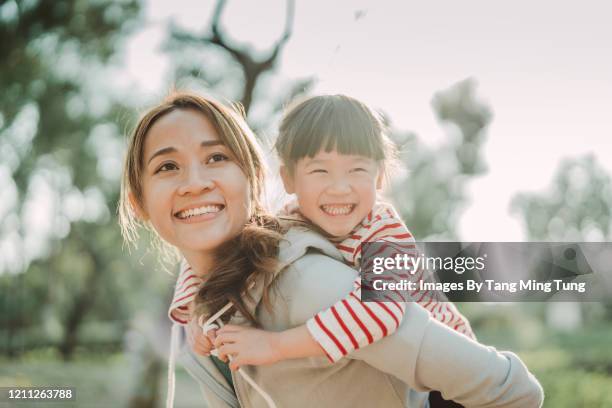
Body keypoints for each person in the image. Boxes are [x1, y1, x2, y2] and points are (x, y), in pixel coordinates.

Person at [119, 91, 544, 407]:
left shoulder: (309, 280)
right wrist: (191, 316)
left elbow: (512, 391)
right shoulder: (222, 297)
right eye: (167, 166)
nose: (194, 182)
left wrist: (278, 345)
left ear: (253, 177)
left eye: (215, 158)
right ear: (138, 201)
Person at [174, 94, 475, 369]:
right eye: (320, 171)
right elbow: (222, 252)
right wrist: (197, 311)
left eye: (357, 170)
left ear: (380, 175)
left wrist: (276, 346)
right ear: (288, 178)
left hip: (451, 375)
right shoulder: (286, 224)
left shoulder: (385, 233)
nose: (340, 188)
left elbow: (381, 310)